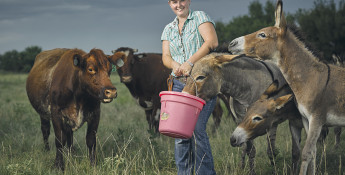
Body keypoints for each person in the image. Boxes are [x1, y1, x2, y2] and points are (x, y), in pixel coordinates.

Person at [161, 0, 218, 174]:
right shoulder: (168, 29)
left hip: (202, 83)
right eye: (174, 2)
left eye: (181, 0)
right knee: (180, 134)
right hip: (178, 85)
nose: (178, 5)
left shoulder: (200, 17)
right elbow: (166, 56)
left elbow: (212, 42)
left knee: (197, 130)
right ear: (169, 3)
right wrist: (175, 65)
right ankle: (183, 172)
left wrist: (190, 62)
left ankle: (205, 172)